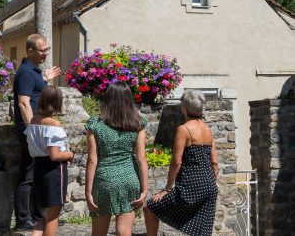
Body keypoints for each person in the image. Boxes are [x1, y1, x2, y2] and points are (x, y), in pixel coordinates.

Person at [144, 90, 218, 236]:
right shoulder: (208, 130)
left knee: (150, 208)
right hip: (210, 186)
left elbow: (176, 162)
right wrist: (209, 182)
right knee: (201, 232)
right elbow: (215, 163)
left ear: (184, 107)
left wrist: (167, 188)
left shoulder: (183, 129)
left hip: (191, 186)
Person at [85, 82, 148, 236]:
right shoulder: (137, 123)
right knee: (124, 232)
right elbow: (141, 158)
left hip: (104, 180)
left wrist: (88, 192)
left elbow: (92, 160)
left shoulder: (95, 124)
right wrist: (145, 190)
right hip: (129, 179)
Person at [13, 33, 61, 231]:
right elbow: (24, 103)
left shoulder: (32, 71)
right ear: (31, 51)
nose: (46, 54)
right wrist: (32, 130)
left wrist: (45, 78)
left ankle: (35, 215)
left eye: (47, 49)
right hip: (30, 131)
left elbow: (33, 93)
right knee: (28, 175)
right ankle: (23, 220)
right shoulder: (25, 71)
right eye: (43, 50)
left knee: (35, 174)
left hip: (35, 129)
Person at [25, 86, 74, 236]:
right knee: (52, 218)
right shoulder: (54, 124)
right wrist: (70, 154)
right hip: (53, 171)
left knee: (45, 216)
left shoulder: (33, 120)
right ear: (57, 102)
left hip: (38, 168)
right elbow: (55, 155)